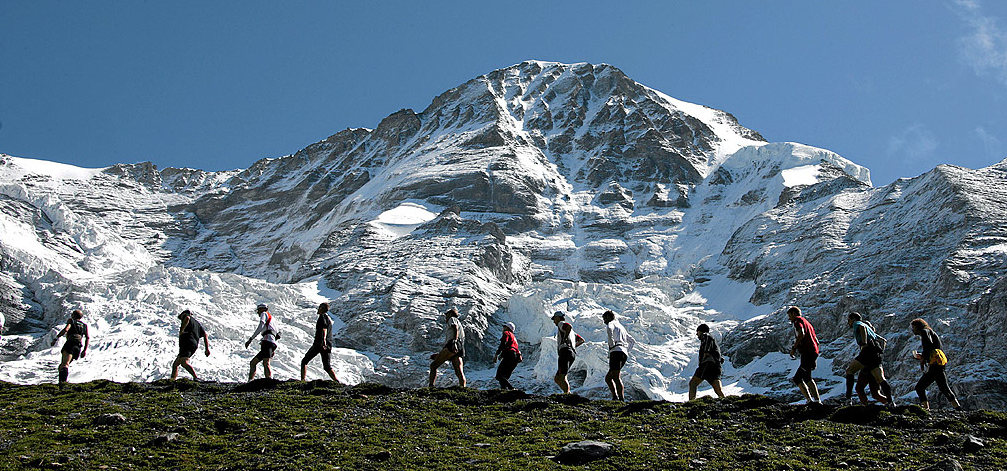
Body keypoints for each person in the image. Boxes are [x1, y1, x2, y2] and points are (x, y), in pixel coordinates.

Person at [843, 313, 895, 407]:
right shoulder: (870, 329)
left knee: (849, 371)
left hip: (867, 351)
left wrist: (864, 343)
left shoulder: (857, 323)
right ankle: (891, 402)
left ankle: (848, 399)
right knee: (880, 379)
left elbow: (861, 328)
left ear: (853, 319)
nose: (848, 323)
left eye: (848, 320)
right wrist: (881, 351)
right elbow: (883, 340)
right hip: (876, 353)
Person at [911, 318, 963, 410]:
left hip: (934, 365)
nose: (913, 330)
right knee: (944, 388)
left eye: (914, 328)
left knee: (920, 387)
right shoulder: (932, 332)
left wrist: (923, 356)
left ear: (918, 327)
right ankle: (959, 409)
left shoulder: (924, 332)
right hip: (939, 364)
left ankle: (926, 409)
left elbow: (928, 345)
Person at [787, 306, 821, 404]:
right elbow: (817, 342)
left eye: (789, 316)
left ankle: (810, 400)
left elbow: (801, 334)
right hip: (813, 351)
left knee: (797, 378)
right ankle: (816, 400)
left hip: (807, 352)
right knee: (807, 377)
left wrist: (794, 348)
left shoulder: (797, 321)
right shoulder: (808, 323)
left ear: (794, 313)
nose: (789, 319)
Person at [300, 302, 338, 382]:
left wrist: (323, 340)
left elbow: (324, 329)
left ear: (322, 309)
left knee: (304, 361)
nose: (318, 309)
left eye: (319, 307)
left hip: (319, 344)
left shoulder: (322, 317)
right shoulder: (328, 319)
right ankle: (336, 381)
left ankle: (303, 380)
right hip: (327, 345)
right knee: (327, 366)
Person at [428, 308, 466, 387]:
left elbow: (454, 328)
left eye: (446, 315)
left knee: (433, 366)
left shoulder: (452, 319)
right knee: (459, 371)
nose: (446, 318)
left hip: (452, 344)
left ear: (450, 314)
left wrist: (454, 342)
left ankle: (431, 386)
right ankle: (463, 387)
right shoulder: (460, 325)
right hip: (460, 347)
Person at [603, 310, 636, 401]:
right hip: (623, 353)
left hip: (616, 351)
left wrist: (612, 344)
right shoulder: (622, 327)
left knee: (616, 377)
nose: (604, 321)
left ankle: (620, 399)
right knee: (609, 378)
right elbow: (632, 341)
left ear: (609, 317)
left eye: (604, 318)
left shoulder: (611, 324)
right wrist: (626, 350)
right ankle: (615, 397)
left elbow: (609, 330)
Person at [50, 309, 89, 385]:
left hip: (70, 344)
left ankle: (62, 384)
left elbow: (66, 329)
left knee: (65, 364)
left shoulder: (71, 321)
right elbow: (87, 337)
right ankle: (61, 382)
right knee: (62, 365)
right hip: (78, 347)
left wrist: (56, 338)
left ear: (73, 315)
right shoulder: (84, 325)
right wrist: (84, 350)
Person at [689, 323, 726, 400]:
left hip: (708, 363)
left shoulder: (706, 336)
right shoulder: (714, 340)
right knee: (716, 387)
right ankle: (724, 400)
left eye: (697, 332)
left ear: (701, 331)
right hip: (716, 366)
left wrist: (703, 359)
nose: (697, 334)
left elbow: (706, 350)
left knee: (693, 383)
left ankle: (691, 402)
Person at [551, 311, 584, 394]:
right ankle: (567, 393)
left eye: (554, 319)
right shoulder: (573, 333)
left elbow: (568, 326)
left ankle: (567, 394)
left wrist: (564, 340)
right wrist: (572, 346)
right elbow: (581, 340)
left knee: (562, 376)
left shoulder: (561, 323)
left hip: (565, 351)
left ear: (558, 317)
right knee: (557, 378)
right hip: (570, 352)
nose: (554, 321)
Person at [171, 310, 210, 380]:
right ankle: (172, 379)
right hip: (192, 344)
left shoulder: (187, 317)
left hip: (187, 342)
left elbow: (187, 318)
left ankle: (195, 377)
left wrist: (181, 331)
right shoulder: (197, 324)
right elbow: (205, 335)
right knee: (176, 363)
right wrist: (207, 349)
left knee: (184, 362)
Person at [245, 304, 279, 381]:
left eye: (258, 311)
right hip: (272, 342)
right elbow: (277, 334)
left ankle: (268, 381)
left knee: (265, 362)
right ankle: (251, 381)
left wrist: (251, 339)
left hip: (267, 342)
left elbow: (261, 325)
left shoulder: (264, 314)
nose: (258, 313)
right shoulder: (273, 319)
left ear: (262, 309)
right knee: (253, 362)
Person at [492, 322, 521, 390]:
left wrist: (497, 354)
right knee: (504, 377)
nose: (503, 329)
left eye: (504, 327)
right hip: (515, 358)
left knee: (499, 376)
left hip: (509, 355)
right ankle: (504, 391)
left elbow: (503, 343)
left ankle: (511, 389)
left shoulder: (507, 333)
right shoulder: (514, 338)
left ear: (507, 328)